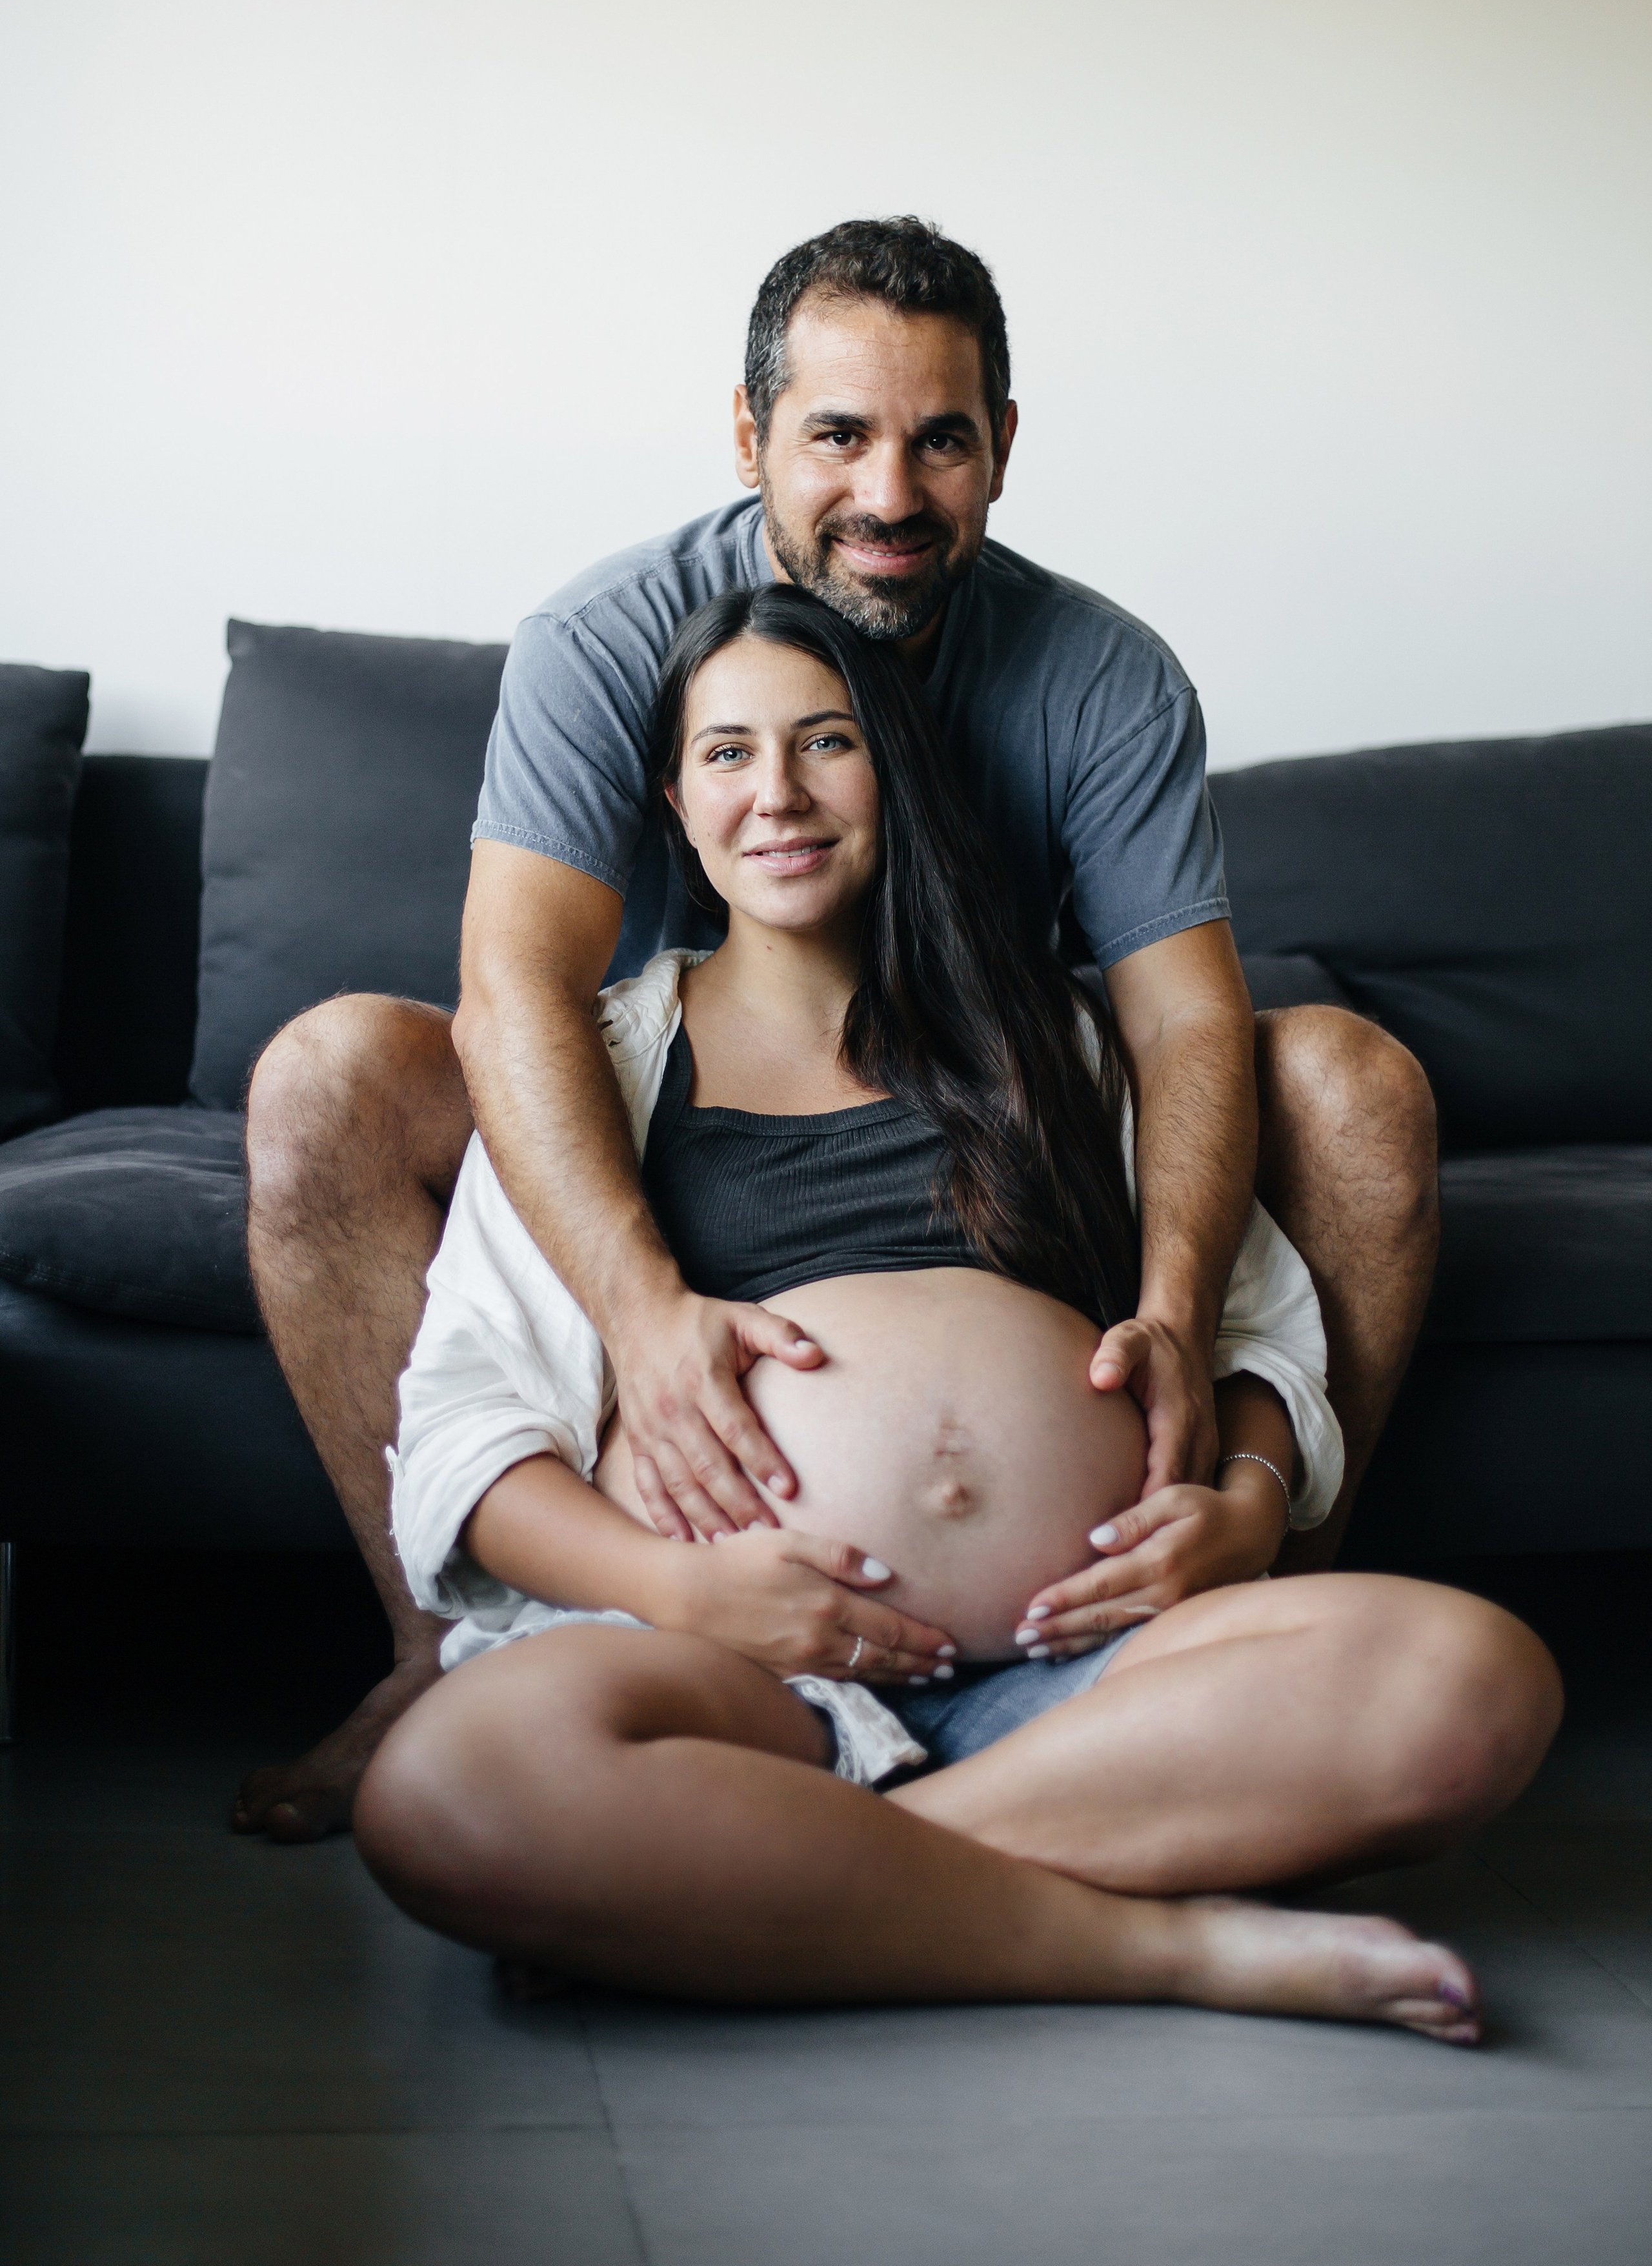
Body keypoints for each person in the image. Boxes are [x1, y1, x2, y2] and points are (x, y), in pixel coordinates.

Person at [236, 216, 1440, 1843]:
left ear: (1000, 449)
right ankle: (434, 1651)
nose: (887, 495)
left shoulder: (1098, 674)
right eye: (836, 437)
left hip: (982, 1092)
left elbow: (1183, 1027)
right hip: (691, 1097)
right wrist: (645, 1313)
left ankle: (1235, 1622)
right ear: (749, 439)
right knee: (332, 1074)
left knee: (1351, 1083)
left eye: (938, 440)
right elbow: (516, 983)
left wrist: (1169, 1332)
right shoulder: (609, 644)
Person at [353, 587, 1560, 2037]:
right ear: (672, 803)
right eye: (726, 755)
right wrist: (681, 1590)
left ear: (894, 775)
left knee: (1472, 1683)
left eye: (826, 742)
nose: (779, 794)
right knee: (446, 1790)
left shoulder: (1049, 1044)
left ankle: (743, 1895)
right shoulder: (600, 1070)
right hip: (736, 1672)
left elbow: (1250, 1331)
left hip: (1081, 1668)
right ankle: (1170, 1950)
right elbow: (465, 1439)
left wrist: (1243, 1505)